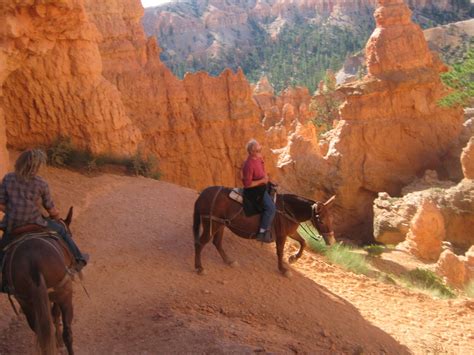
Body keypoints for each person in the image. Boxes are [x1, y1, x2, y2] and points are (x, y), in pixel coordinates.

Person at [0, 149, 88, 283]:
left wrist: (13, 211)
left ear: (19, 162)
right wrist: (56, 217)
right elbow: (50, 209)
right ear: (37, 166)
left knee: (3, 246)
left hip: (13, 225)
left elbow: (0, 203)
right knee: (62, 231)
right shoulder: (41, 183)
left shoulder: (8, 178)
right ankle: (78, 258)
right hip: (35, 222)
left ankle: (2, 276)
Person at [241, 139, 276, 243]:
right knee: (271, 208)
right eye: (257, 150)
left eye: (260, 149)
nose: (259, 152)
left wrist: (267, 179)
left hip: (262, 185)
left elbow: (262, 171)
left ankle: (270, 226)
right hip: (254, 190)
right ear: (251, 152)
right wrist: (262, 180)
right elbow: (247, 185)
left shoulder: (259, 158)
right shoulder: (248, 164)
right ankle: (261, 233)